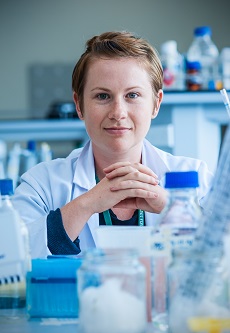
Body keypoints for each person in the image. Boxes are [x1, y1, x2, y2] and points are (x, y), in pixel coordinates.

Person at [12, 31, 213, 258]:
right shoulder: (43, 184)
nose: (118, 113)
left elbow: (222, 258)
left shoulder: (196, 178)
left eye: (133, 95)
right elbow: (10, 258)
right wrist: (85, 205)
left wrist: (174, 209)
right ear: (79, 105)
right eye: (102, 96)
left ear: (156, 104)